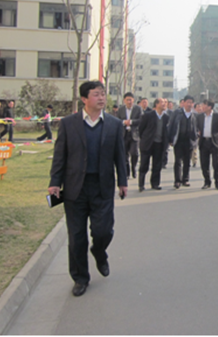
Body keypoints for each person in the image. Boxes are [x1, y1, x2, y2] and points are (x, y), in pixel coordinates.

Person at [48, 80, 128, 297]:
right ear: (84, 99)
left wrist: (122, 181)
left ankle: (99, 252)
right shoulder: (68, 124)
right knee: (76, 237)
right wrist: (54, 183)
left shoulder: (113, 124)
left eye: (103, 94)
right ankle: (80, 278)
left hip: (102, 187)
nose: (101, 98)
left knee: (103, 231)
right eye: (96, 94)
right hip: (75, 188)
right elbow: (59, 156)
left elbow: (120, 155)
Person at [138, 98, 168, 191]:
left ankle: (155, 183)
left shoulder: (166, 117)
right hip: (147, 143)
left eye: (165, 102)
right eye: (162, 102)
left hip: (159, 144)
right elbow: (141, 129)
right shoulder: (148, 115)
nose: (164, 104)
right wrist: (144, 139)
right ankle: (141, 184)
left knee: (157, 165)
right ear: (156, 104)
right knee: (144, 164)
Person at [167, 95, 198, 188]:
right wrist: (170, 139)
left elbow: (197, 128)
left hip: (189, 141)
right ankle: (177, 181)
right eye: (187, 102)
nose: (189, 104)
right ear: (183, 103)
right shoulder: (177, 113)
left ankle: (185, 179)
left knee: (187, 161)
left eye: (191, 103)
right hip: (179, 140)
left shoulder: (195, 115)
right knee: (178, 161)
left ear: (193, 104)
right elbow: (171, 125)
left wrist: (196, 138)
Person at [196, 99, 218, 190]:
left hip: (214, 142)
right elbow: (197, 128)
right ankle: (207, 182)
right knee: (204, 164)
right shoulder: (200, 117)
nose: (202, 107)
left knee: (216, 164)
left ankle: (217, 182)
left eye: (205, 105)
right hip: (204, 142)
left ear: (210, 107)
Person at [116, 92, 143, 180]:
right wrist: (124, 122)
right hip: (124, 135)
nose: (129, 102)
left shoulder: (138, 109)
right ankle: (126, 172)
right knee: (124, 155)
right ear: (124, 100)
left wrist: (131, 122)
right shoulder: (120, 109)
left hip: (134, 134)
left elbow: (141, 120)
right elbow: (117, 120)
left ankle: (133, 168)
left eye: (130, 100)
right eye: (127, 100)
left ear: (133, 100)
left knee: (134, 153)